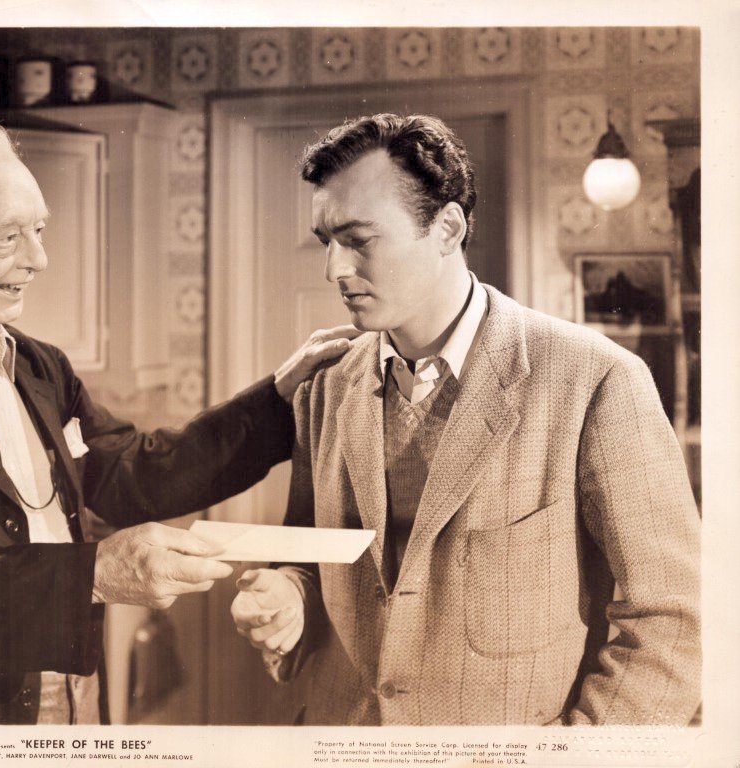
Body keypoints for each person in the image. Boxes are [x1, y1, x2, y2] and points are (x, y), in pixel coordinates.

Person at [0, 114, 355, 724]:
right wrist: (94, 575)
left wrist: (279, 400)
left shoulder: (40, 366)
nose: (38, 259)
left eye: (38, 230)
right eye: (8, 237)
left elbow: (138, 473)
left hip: (72, 693)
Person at [231, 113, 700, 726]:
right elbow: (314, 560)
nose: (334, 270)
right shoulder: (324, 386)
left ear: (448, 228)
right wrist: (289, 596)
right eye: (327, 241)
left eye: (359, 240)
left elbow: (675, 623)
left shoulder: (595, 381)